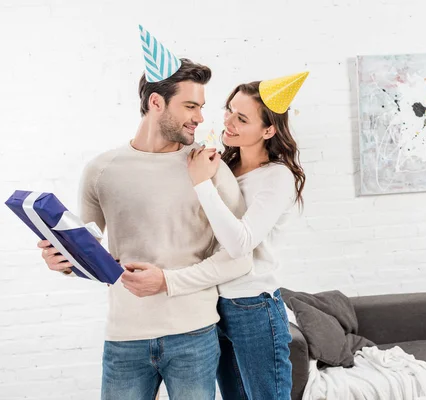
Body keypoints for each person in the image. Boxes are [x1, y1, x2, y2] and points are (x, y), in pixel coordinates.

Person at [37, 25, 252, 400]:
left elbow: (239, 258)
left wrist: (167, 281)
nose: (200, 118)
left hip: (194, 336)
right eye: (190, 106)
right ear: (156, 103)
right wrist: (64, 261)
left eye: (201, 106)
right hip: (124, 339)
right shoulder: (101, 171)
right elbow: (93, 255)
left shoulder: (208, 166)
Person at [131, 72, 308, 399]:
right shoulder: (223, 165)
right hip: (212, 304)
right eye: (229, 110)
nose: (228, 121)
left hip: (254, 306)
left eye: (242, 118)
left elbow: (240, 241)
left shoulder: (277, 177)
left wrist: (201, 183)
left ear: (268, 130)